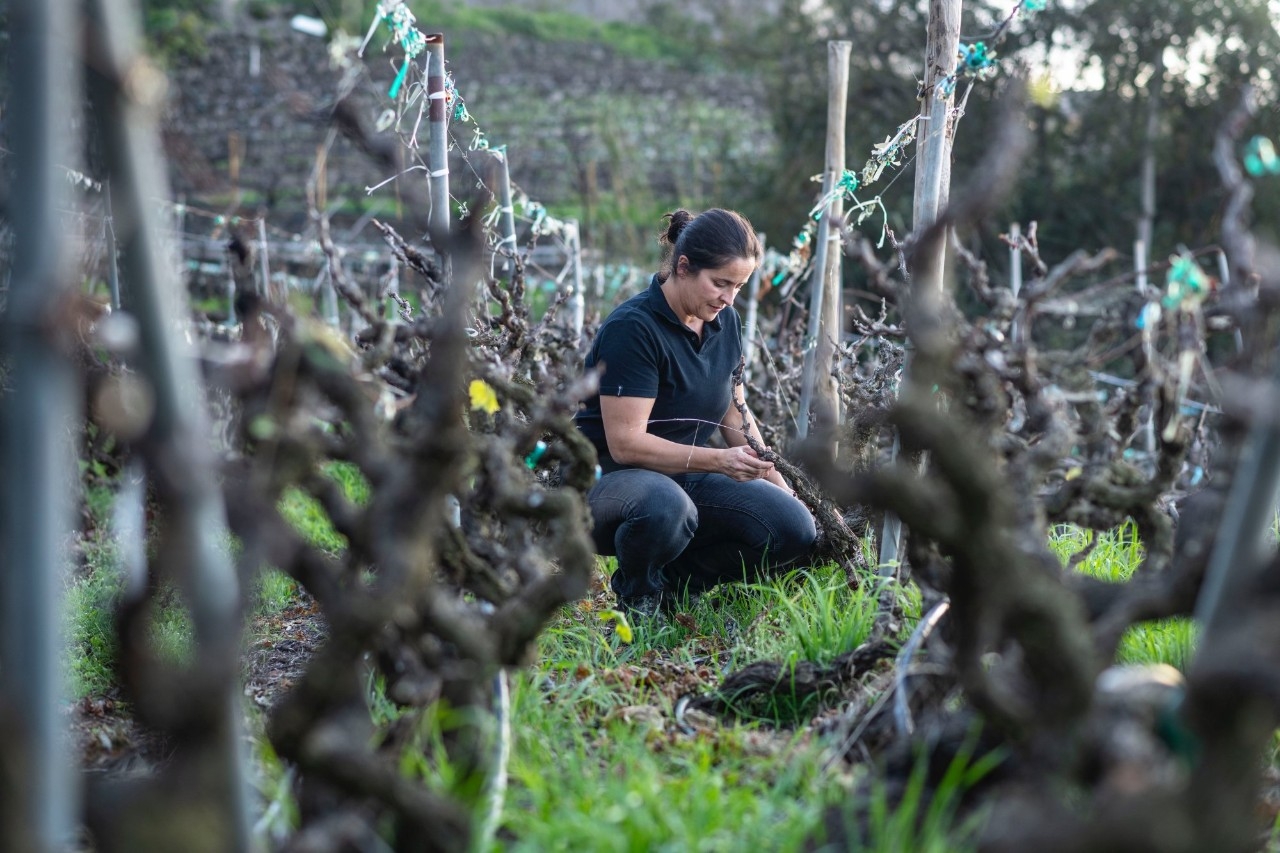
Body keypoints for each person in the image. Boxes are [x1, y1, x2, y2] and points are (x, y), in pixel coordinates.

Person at [575, 208, 817, 617]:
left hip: (684, 476)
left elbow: (735, 415)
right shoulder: (633, 329)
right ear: (683, 267)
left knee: (793, 527)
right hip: (605, 483)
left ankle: (675, 587)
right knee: (667, 505)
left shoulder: (726, 323)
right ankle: (638, 598)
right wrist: (719, 461)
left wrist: (783, 485)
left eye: (739, 287)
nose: (729, 298)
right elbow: (625, 444)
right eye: (720, 283)